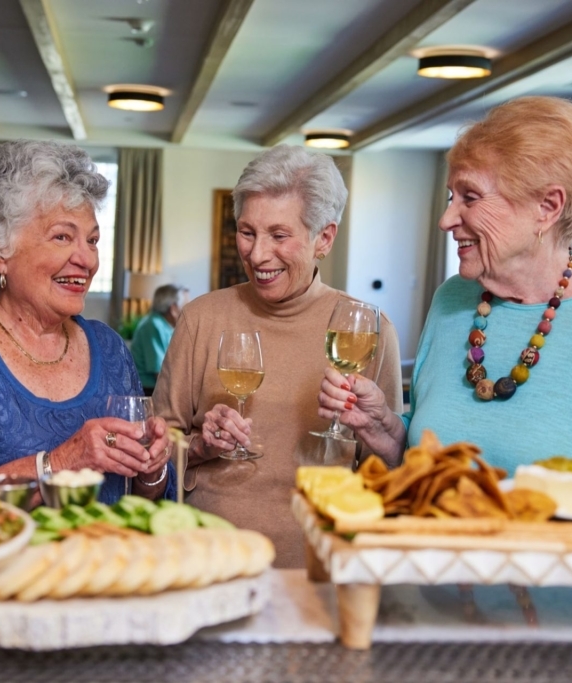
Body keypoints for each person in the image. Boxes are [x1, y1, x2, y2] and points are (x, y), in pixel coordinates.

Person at [319, 96, 572, 479]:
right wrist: (382, 428)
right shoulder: (451, 300)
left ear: (547, 207)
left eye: (471, 196)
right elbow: (425, 462)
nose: (447, 219)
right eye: (452, 197)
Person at [155, 145, 403, 567]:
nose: (256, 254)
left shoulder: (369, 329)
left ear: (324, 237)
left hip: (320, 560)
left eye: (279, 235)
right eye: (247, 232)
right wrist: (200, 446)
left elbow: (388, 469)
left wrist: (375, 432)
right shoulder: (200, 318)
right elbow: (157, 446)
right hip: (211, 558)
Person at [0, 141, 175, 505]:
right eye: (62, 236)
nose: (87, 260)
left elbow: (145, 501)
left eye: (92, 240)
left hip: (105, 558)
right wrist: (60, 462)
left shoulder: (109, 348)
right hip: (10, 563)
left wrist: (152, 466)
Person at [131, 283, 188, 394]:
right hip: (147, 390)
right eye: (184, 306)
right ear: (173, 308)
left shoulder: (165, 325)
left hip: (158, 387)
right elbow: (160, 372)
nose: (186, 312)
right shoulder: (153, 325)